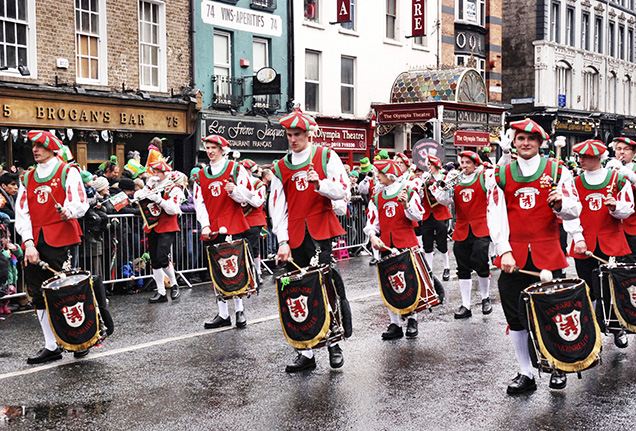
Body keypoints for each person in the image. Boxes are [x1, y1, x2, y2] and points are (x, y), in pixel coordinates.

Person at [487, 119, 584, 394]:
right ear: (514, 143)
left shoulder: (558, 171)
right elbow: (495, 213)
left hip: (547, 252)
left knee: (553, 312)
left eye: (531, 139)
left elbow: (574, 210)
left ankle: (557, 365)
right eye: (520, 139)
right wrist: (503, 249)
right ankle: (525, 372)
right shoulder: (501, 173)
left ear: (540, 143)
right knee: (515, 316)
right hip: (513, 255)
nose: (525, 143)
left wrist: (560, 204)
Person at [269, 108, 352, 373]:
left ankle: (333, 344)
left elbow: (343, 191)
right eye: (289, 135)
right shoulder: (281, 167)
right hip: (295, 235)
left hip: (320, 232)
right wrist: (282, 241)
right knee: (296, 289)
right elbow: (277, 207)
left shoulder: (326, 156)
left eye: (297, 134)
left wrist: (321, 182)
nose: (292, 139)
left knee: (324, 286)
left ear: (308, 134)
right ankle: (304, 352)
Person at [15, 130, 89, 364]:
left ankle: (79, 339)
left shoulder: (68, 171)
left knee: (66, 291)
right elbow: (22, 212)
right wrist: (28, 242)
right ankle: (51, 345)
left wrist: (69, 210)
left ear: (52, 148)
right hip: (36, 241)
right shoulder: (27, 177)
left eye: (40, 146)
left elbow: (80, 202)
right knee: (37, 294)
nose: (35, 150)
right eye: (33, 146)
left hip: (62, 238)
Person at [567, 139, 634, 348]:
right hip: (584, 242)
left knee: (612, 286)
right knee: (588, 287)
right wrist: (577, 237)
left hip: (611, 240)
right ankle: (593, 330)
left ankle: (616, 326)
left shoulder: (617, 179)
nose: (581, 160)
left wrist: (615, 207)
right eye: (580, 157)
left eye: (585, 157)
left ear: (597, 158)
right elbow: (570, 214)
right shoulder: (575, 182)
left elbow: (628, 207)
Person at [193, 135, 254, 329]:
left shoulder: (235, 169)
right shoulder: (201, 175)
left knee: (235, 268)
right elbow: (199, 202)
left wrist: (234, 190)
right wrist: (204, 224)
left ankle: (239, 310)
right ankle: (223, 313)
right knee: (217, 270)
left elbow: (250, 196)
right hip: (212, 227)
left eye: (213, 147)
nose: (210, 151)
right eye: (208, 147)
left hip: (232, 224)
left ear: (222, 149)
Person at [364, 159, 424, 339]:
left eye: (380, 174)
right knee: (389, 283)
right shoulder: (376, 197)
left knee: (410, 282)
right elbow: (372, 223)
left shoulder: (409, 191)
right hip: (386, 245)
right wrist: (373, 236)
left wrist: (406, 205)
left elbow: (418, 215)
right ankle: (395, 323)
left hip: (406, 241)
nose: (377, 177)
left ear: (389, 176)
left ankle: (413, 319)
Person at [432, 151, 493, 319]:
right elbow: (444, 201)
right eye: (462, 162)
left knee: (481, 261)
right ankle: (466, 305)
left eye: (467, 162)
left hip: (481, 226)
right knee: (462, 267)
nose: (464, 166)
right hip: (462, 228)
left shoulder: (483, 177)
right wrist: (442, 187)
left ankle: (485, 297)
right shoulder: (456, 181)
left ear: (475, 164)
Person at [135, 160, 185, 303]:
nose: (155, 175)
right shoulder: (152, 186)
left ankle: (174, 284)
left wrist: (158, 199)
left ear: (165, 173)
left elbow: (173, 209)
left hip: (167, 225)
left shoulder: (174, 188)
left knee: (162, 256)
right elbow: (137, 197)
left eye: (157, 172)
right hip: (152, 225)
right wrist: (148, 187)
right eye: (154, 172)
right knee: (155, 260)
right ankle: (161, 291)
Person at [419, 155, 452, 280]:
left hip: (440, 214)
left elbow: (448, 197)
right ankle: (429, 270)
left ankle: (447, 267)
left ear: (436, 165)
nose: (428, 168)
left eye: (430, 165)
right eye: (427, 165)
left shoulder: (444, 177)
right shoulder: (425, 178)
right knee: (427, 243)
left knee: (441, 243)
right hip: (427, 214)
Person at [240, 159, 267, 287]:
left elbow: (257, 202)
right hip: (239, 220)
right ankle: (247, 274)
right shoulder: (236, 183)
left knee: (253, 248)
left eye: (244, 169)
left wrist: (242, 194)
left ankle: (257, 273)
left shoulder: (258, 184)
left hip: (254, 220)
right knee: (242, 249)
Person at [609, 136, 636, 255]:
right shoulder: (610, 168)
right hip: (612, 224)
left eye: (626, 149)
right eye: (619, 149)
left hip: (632, 223)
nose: (622, 152)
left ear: (634, 152)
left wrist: (629, 174)